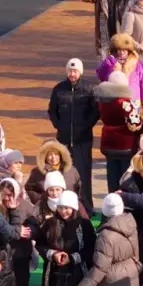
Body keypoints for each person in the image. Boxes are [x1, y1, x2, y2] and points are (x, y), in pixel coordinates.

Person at [47, 59, 99, 215]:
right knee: (65, 174)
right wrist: (59, 126)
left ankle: (86, 208)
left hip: (83, 139)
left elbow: (96, 112)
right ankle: (65, 206)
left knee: (83, 174)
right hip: (63, 139)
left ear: (80, 72)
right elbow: (52, 110)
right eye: (70, 71)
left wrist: (86, 126)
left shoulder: (89, 89)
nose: (72, 74)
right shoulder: (58, 89)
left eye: (75, 71)